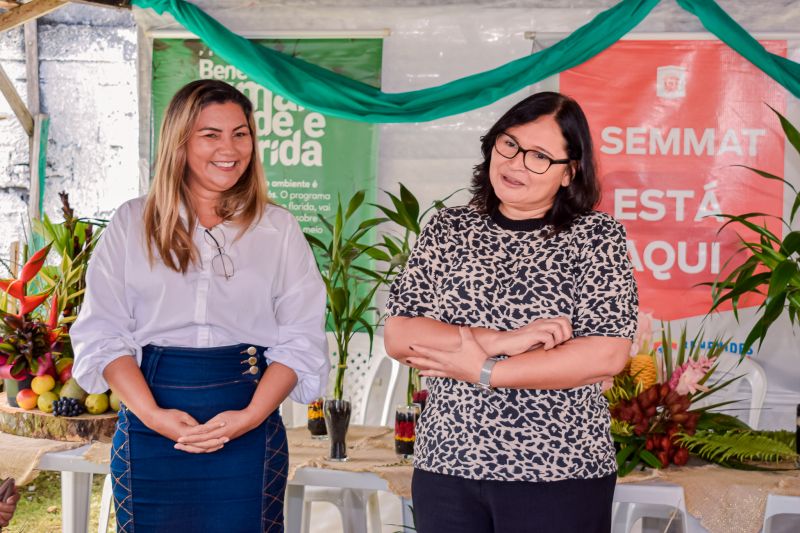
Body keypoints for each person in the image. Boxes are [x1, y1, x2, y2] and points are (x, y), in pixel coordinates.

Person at [71, 79, 328, 532]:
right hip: (151, 426)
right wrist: (154, 417)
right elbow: (103, 334)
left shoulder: (279, 229)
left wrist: (250, 417)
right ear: (180, 142)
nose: (230, 148)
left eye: (240, 133)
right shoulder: (131, 223)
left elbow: (301, 338)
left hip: (249, 426)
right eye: (211, 134)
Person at [384, 91, 637, 533]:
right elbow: (401, 335)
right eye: (510, 144)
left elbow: (605, 354)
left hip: (560, 470)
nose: (516, 163)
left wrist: (485, 370)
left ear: (569, 172)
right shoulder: (448, 229)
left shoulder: (596, 237)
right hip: (447, 464)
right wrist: (504, 341)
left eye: (539, 156)